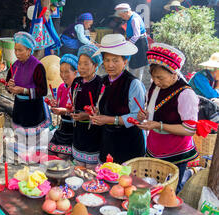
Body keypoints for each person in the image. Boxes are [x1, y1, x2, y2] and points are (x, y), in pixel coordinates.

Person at [137, 43, 199, 192]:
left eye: (160, 77)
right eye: (153, 77)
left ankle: (187, 176)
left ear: (174, 73)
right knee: (152, 185)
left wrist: (159, 125)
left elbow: (190, 129)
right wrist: (144, 114)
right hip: (155, 146)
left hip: (175, 150)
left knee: (169, 190)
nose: (156, 81)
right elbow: (154, 110)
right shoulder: (155, 86)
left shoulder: (185, 94)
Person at [90, 34, 146, 164]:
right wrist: (97, 112)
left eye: (115, 60)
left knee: (126, 180)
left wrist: (109, 119)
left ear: (125, 61)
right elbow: (103, 104)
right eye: (107, 60)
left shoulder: (133, 84)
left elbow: (136, 116)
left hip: (128, 143)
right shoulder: (103, 81)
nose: (110, 65)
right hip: (108, 140)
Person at [6, 31, 50, 156]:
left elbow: (43, 91)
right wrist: (9, 87)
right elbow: (8, 85)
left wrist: (23, 90)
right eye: (15, 50)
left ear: (29, 50)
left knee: (33, 143)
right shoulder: (14, 65)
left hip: (33, 108)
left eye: (20, 50)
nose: (17, 53)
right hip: (19, 106)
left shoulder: (37, 66)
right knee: (21, 140)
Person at [69, 45, 104, 168]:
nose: (81, 67)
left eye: (86, 64)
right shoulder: (76, 82)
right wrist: (71, 110)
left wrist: (87, 115)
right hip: (78, 129)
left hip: (93, 131)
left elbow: (101, 108)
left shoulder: (100, 83)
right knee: (79, 166)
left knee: (91, 169)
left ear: (95, 66)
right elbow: (73, 102)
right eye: (79, 64)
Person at [48, 54, 78, 159]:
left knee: (62, 156)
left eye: (66, 72)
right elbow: (59, 107)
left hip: (74, 130)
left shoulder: (79, 89)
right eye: (61, 71)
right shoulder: (61, 87)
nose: (63, 75)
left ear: (75, 72)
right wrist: (54, 106)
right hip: (62, 128)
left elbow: (79, 111)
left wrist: (64, 111)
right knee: (50, 153)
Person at [115, 3, 149, 82]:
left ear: (126, 12)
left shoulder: (134, 19)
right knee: (134, 63)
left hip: (139, 43)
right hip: (136, 42)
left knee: (139, 64)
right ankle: (132, 80)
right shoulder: (132, 17)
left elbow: (136, 35)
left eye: (123, 16)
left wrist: (128, 44)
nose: (123, 18)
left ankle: (136, 82)